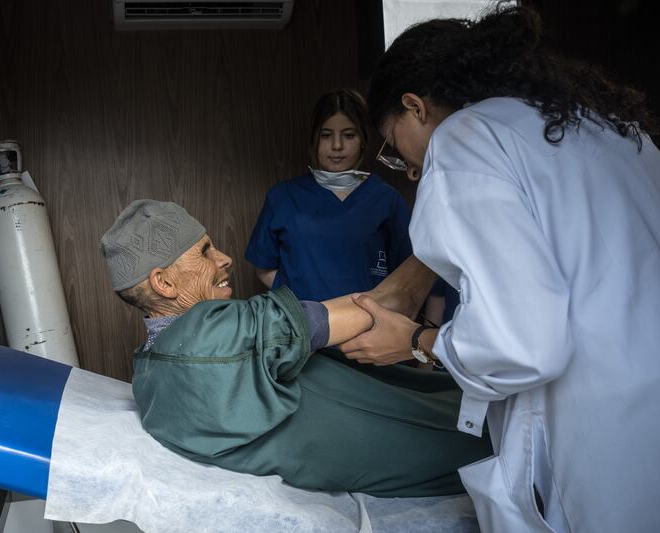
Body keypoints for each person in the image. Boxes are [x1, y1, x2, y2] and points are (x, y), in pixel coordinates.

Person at [339, 5, 660, 532]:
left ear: (415, 106)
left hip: (597, 437)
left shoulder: (465, 138)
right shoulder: (611, 130)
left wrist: (419, 341)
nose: (412, 169)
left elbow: (524, 345)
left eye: (395, 148)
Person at [99, 199, 491, 498]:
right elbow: (388, 305)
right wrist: (453, 225)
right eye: (204, 252)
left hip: (410, 468)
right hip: (460, 440)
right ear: (164, 284)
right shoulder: (208, 334)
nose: (225, 259)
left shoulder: (149, 376)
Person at [245, 89, 412, 301]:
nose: (337, 146)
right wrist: (298, 308)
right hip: (303, 329)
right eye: (326, 135)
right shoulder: (283, 198)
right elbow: (264, 267)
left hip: (369, 328)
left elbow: (408, 275)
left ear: (363, 139)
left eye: (349, 135)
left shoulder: (387, 200)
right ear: (314, 139)